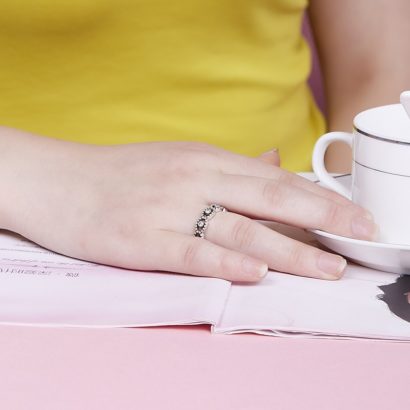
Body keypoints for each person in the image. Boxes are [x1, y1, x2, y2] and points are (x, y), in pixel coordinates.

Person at [0, 1, 408, 283]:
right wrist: (68, 185)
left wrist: (356, 225)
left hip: (292, 232)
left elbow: (375, 69)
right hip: (22, 228)